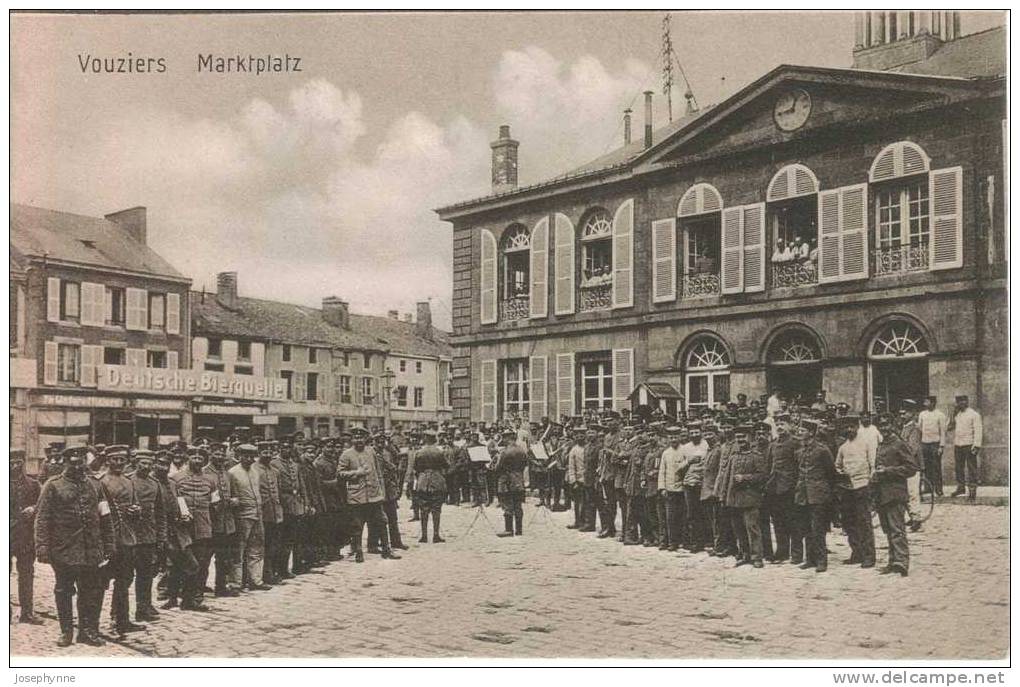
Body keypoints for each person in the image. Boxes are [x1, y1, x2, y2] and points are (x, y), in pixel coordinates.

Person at [35, 448, 116, 647]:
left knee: (91, 591)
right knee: (64, 591)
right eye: (73, 463)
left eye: (81, 462)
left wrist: (109, 543)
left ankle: (87, 632)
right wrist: (42, 547)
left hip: (91, 550)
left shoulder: (95, 485)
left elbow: (105, 517)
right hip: (64, 551)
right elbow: (42, 518)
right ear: (65, 463)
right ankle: (66, 632)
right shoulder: (53, 486)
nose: (78, 466)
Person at [100, 448, 146, 635]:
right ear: (108, 460)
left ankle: (122, 619)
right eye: (115, 459)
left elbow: (136, 505)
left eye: (122, 459)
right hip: (107, 539)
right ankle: (92, 620)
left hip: (127, 538)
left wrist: (136, 510)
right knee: (100, 581)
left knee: (125, 579)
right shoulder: (101, 482)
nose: (119, 463)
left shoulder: (129, 481)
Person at [338, 430, 400, 561]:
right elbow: (340, 474)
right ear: (352, 440)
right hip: (357, 495)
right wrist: (356, 472)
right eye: (356, 437)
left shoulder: (371, 451)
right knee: (357, 525)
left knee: (382, 522)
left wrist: (381, 492)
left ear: (365, 438)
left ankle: (386, 549)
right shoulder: (346, 454)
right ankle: (358, 551)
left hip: (374, 495)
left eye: (361, 437)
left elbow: (378, 473)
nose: (359, 440)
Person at [871, 414, 919, 576]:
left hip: (895, 493)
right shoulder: (882, 444)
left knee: (897, 529)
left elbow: (912, 468)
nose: (883, 428)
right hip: (882, 494)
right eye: (880, 426)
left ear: (892, 425)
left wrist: (888, 471)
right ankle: (893, 561)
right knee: (888, 529)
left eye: (886, 425)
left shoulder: (899, 444)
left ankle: (902, 563)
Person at [169, 450, 215, 611]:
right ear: (188, 458)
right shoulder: (176, 478)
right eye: (194, 457)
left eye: (200, 458)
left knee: (201, 564)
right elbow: (172, 501)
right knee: (178, 563)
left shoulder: (210, 480)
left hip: (203, 526)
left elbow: (214, 503)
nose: (197, 460)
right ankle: (172, 596)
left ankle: (195, 598)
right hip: (183, 527)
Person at [721, 425, 768, 568]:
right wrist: (723, 495)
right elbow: (727, 478)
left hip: (750, 498)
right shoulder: (733, 457)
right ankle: (745, 554)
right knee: (738, 529)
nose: (740, 440)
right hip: (734, 498)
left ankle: (757, 557)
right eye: (738, 437)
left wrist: (745, 478)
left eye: (743, 437)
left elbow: (763, 476)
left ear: (750, 437)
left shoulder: (757, 456)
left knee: (752, 528)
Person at [794, 419, 836, 573]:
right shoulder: (800, 451)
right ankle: (810, 559)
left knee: (818, 529)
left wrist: (826, 492)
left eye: (803, 430)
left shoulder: (822, 450)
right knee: (806, 528)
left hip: (819, 495)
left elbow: (831, 474)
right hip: (803, 494)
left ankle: (821, 560)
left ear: (811, 433)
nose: (799, 432)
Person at [833, 416, 875, 568]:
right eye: (846, 427)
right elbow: (837, 465)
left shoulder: (866, 443)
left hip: (862, 486)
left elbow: (873, 464)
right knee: (849, 522)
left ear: (857, 427)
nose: (849, 430)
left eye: (852, 427)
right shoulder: (843, 447)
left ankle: (869, 555)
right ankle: (856, 552)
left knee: (864, 522)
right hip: (847, 489)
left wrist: (870, 484)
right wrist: (841, 473)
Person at [129, 451, 166, 622]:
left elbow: (160, 513)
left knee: (146, 574)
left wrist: (161, 536)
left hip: (148, 535)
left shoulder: (155, 484)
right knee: (125, 577)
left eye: (149, 464)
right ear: (136, 463)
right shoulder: (129, 481)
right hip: (130, 535)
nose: (146, 467)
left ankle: (143, 607)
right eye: (142, 463)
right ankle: (118, 613)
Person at [228, 444, 269, 591]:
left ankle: (256, 580)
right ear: (239, 456)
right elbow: (231, 495)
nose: (249, 459)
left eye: (252, 456)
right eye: (246, 456)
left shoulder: (255, 471)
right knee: (238, 550)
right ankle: (235, 582)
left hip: (257, 514)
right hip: (242, 516)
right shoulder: (232, 472)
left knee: (257, 548)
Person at [10, 449, 43, 625]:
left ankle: (27, 613)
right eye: (11, 463)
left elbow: (43, 506)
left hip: (25, 538)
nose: (15, 466)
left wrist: (33, 509)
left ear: (23, 462)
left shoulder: (33, 484)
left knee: (27, 575)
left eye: (18, 462)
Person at [203, 449, 240, 596]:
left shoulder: (228, 474)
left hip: (226, 522)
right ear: (211, 455)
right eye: (216, 454)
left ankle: (220, 586)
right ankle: (200, 586)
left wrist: (235, 500)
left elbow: (235, 494)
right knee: (205, 558)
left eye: (221, 454)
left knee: (224, 557)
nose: (219, 457)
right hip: (211, 522)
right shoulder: (204, 472)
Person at [763, 420, 798, 564]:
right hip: (775, 488)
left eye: (783, 423)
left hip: (790, 487)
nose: (779, 427)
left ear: (789, 426)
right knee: (778, 521)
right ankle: (782, 551)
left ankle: (796, 553)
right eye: (777, 424)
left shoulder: (795, 443)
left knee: (793, 521)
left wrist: (795, 485)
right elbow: (769, 466)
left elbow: (798, 464)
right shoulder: (773, 445)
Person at [271, 444, 306, 578]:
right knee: (280, 539)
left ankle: (285, 569)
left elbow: (301, 485)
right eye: (283, 447)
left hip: (295, 504)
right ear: (279, 449)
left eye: (289, 448)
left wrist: (305, 503)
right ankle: (278, 569)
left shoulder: (295, 465)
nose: (286, 450)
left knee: (291, 539)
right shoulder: (274, 463)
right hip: (283, 504)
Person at [409, 431, 449, 543]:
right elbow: (446, 465)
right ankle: (436, 535)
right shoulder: (439, 452)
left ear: (425, 439)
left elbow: (416, 468)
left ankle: (424, 536)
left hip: (423, 481)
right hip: (437, 481)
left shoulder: (419, 452)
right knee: (436, 509)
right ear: (434, 439)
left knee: (424, 509)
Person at [254, 443, 285, 585]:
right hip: (262, 512)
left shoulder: (275, 471)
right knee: (261, 546)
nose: (267, 455)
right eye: (264, 452)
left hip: (275, 513)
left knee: (273, 544)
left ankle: (271, 572)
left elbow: (278, 491)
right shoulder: (254, 469)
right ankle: (261, 575)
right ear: (259, 453)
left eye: (269, 452)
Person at [494, 428, 528, 537]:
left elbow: (498, 468)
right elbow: (524, 465)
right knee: (518, 506)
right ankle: (519, 530)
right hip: (519, 480)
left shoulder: (504, 452)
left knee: (507, 506)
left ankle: (508, 530)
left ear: (508, 438)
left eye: (504, 437)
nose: (503, 439)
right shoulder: (522, 450)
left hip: (507, 482)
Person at [658, 428, 686, 552]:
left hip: (683, 489)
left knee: (684, 516)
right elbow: (662, 471)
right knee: (670, 518)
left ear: (679, 437)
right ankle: (672, 542)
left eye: (675, 437)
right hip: (669, 489)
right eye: (671, 437)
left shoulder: (685, 450)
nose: (673, 440)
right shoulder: (666, 453)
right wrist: (662, 487)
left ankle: (685, 541)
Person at [950, 395, 982, 500]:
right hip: (958, 444)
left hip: (969, 445)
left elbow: (978, 430)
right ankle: (961, 487)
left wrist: (976, 445)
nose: (961, 404)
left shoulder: (974, 414)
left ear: (967, 402)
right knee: (959, 467)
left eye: (963, 401)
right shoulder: (957, 414)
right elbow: (949, 428)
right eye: (958, 402)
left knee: (971, 468)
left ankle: (972, 490)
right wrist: (952, 415)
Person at [917, 396, 947, 496]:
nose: (925, 403)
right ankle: (928, 488)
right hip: (925, 443)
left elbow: (943, 432)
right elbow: (920, 429)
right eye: (925, 401)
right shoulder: (922, 414)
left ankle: (938, 488)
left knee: (936, 467)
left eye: (928, 402)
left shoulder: (940, 415)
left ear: (933, 403)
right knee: (926, 467)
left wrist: (941, 446)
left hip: (935, 444)